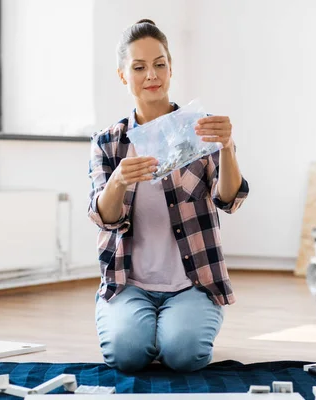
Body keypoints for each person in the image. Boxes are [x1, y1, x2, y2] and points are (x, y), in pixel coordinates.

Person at [87, 19, 249, 373]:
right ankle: (139, 326)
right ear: (122, 76)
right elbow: (104, 217)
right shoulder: (108, 142)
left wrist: (226, 148)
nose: (151, 75)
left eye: (160, 64)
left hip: (192, 281)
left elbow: (229, 200)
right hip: (128, 282)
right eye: (139, 67)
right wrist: (117, 182)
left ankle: (174, 329)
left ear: (171, 69)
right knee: (126, 356)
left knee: (183, 355)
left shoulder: (200, 128)